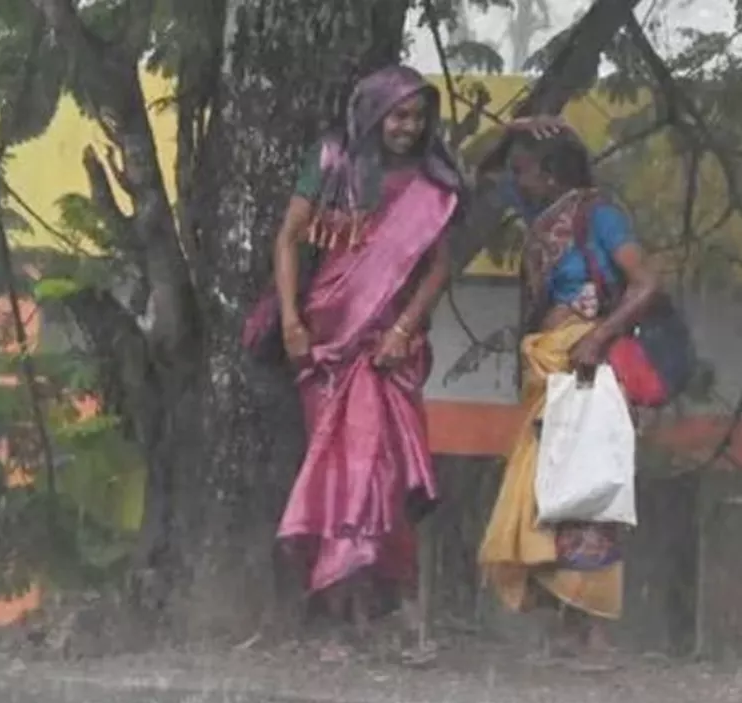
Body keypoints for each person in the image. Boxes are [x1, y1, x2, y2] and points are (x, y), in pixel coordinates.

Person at [263, 64, 466, 666]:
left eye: (417, 116)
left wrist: (403, 330)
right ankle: (335, 613)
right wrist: (292, 322)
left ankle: (385, 610)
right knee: (336, 471)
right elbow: (288, 239)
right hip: (328, 340)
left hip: (386, 347)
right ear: (373, 111)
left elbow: (437, 268)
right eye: (398, 114)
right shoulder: (330, 158)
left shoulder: (431, 183)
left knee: (384, 472)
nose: (408, 127)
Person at [477, 128, 661, 670]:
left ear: (551, 174)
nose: (514, 179)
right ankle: (564, 628)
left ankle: (596, 638)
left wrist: (598, 338)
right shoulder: (535, 209)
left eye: (524, 169)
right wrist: (522, 127)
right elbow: (479, 168)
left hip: (589, 367)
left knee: (589, 495)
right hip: (551, 368)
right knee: (549, 491)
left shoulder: (598, 215)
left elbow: (646, 284)